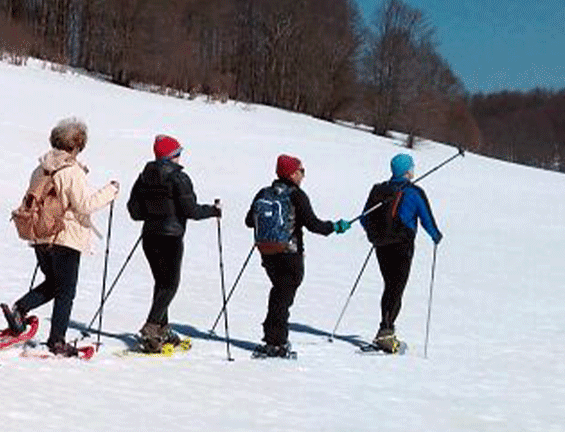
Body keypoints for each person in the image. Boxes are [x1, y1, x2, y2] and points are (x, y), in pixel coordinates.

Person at [0, 117, 119, 357]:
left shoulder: (40, 167)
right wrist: (110, 191)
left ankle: (20, 310)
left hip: (40, 235)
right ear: (77, 145)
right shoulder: (71, 171)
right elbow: (84, 206)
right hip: (65, 237)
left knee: (54, 284)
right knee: (65, 291)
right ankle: (57, 341)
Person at [244, 154, 351, 358]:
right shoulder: (296, 195)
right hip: (290, 256)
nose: (303, 175)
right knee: (282, 299)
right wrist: (335, 227)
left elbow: (249, 221)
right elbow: (314, 225)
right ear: (292, 173)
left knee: (278, 295)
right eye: (302, 171)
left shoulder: (263, 193)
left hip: (268, 255)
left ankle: (273, 338)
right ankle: (277, 342)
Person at [126, 134, 221, 352]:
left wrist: (154, 214)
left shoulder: (144, 177)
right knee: (170, 285)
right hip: (171, 237)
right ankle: (151, 327)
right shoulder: (179, 178)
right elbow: (191, 211)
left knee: (161, 284)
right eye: (178, 153)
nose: (180, 157)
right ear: (171, 156)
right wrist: (213, 211)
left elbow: (134, 211)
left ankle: (161, 332)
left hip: (149, 237)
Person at [360, 152, 443, 352]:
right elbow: (426, 219)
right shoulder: (414, 192)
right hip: (402, 246)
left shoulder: (379, 190)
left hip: (381, 245)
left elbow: (364, 217)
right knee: (396, 288)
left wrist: (378, 233)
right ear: (407, 171)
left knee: (390, 286)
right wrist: (436, 235)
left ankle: (385, 329)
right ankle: (386, 334)